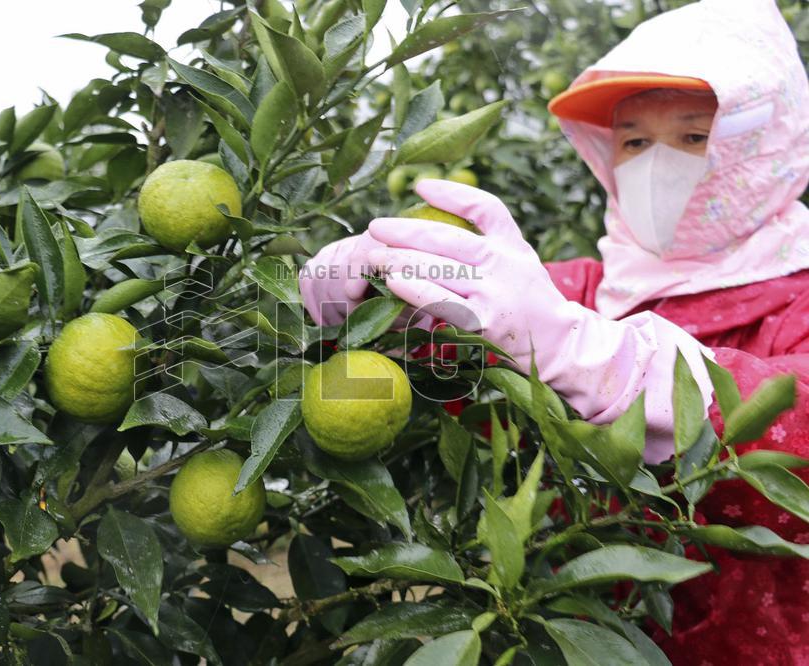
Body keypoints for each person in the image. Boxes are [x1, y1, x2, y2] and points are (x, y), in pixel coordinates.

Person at [297, 0, 809, 663]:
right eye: (634, 142)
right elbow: (464, 373)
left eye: (692, 137)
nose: (657, 164)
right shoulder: (583, 292)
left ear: (765, 146)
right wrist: (381, 312)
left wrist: (606, 363)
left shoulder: (796, 300)